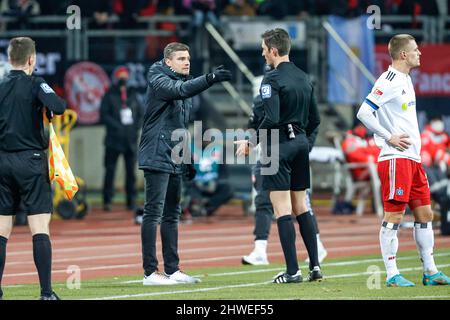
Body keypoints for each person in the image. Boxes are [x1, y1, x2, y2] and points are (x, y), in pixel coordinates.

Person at [356, 34, 450, 287]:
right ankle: (391, 274)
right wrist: (389, 137)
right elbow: (364, 112)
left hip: (413, 159)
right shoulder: (388, 81)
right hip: (396, 159)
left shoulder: (406, 79)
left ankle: (430, 271)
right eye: (416, 50)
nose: (420, 53)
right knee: (394, 216)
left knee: (425, 214)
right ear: (403, 55)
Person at [138, 42, 231, 285]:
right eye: (181, 58)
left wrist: (187, 158)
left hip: (175, 154)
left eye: (188, 58)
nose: (186, 62)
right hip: (157, 152)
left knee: (172, 214)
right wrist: (210, 78)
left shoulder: (183, 84)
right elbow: (179, 91)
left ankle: (172, 269)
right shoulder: (157, 77)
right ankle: (150, 272)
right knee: (153, 212)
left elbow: (180, 127)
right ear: (168, 61)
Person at [235, 28, 321, 283]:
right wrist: (304, 142)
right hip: (301, 145)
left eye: (264, 49)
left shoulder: (270, 80)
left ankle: (293, 271)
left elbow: (270, 118)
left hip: (278, 146)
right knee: (301, 206)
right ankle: (315, 267)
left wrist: (251, 141)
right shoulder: (304, 77)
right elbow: (315, 119)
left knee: (282, 210)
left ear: (273, 50)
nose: (262, 53)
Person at [0, 37, 66, 300]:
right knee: (39, 227)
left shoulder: (1, 84)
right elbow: (58, 107)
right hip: (31, 160)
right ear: (31, 59)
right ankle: (46, 293)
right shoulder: (36, 82)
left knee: (2, 230)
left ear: (9, 57)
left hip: (3, 161)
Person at [242, 69, 327, 268]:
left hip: (282, 149)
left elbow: (311, 123)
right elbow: (253, 124)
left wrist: (305, 144)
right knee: (266, 200)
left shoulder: (289, 91)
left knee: (296, 205)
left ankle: (300, 263)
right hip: (272, 152)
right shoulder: (264, 98)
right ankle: (261, 249)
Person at [100, 65, 143, 212]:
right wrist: (118, 127)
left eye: (125, 77)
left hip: (130, 140)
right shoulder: (109, 95)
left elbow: (140, 115)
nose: (123, 80)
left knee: (131, 172)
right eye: (120, 77)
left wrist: (134, 128)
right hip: (113, 140)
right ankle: (107, 200)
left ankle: (131, 200)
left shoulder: (133, 95)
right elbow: (104, 115)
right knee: (110, 170)